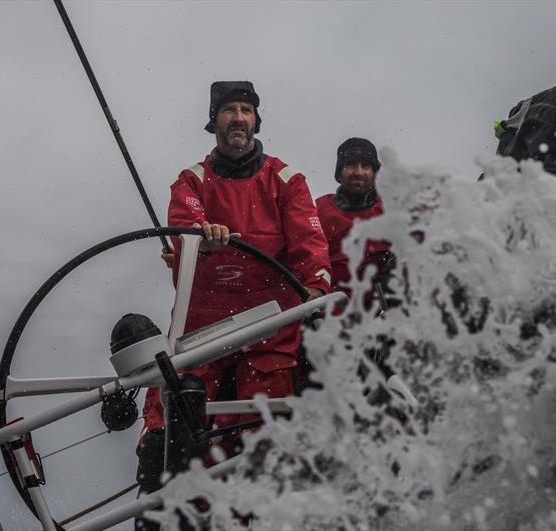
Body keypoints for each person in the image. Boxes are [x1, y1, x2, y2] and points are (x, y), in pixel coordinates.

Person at [136, 81, 332, 527]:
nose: (238, 118)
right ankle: (161, 510)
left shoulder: (287, 181)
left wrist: (316, 293)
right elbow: (183, 223)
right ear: (214, 121)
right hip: (200, 332)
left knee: (268, 430)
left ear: (257, 120)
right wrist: (199, 237)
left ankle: (259, 516)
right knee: (167, 410)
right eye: (229, 110)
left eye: (246, 110)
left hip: (270, 333)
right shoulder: (192, 181)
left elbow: (311, 249)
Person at [315, 137, 394, 310]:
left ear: (375, 173)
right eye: (351, 165)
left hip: (385, 314)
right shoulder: (318, 211)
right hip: (330, 313)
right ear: (339, 173)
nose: (359, 172)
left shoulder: (393, 210)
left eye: (366, 166)